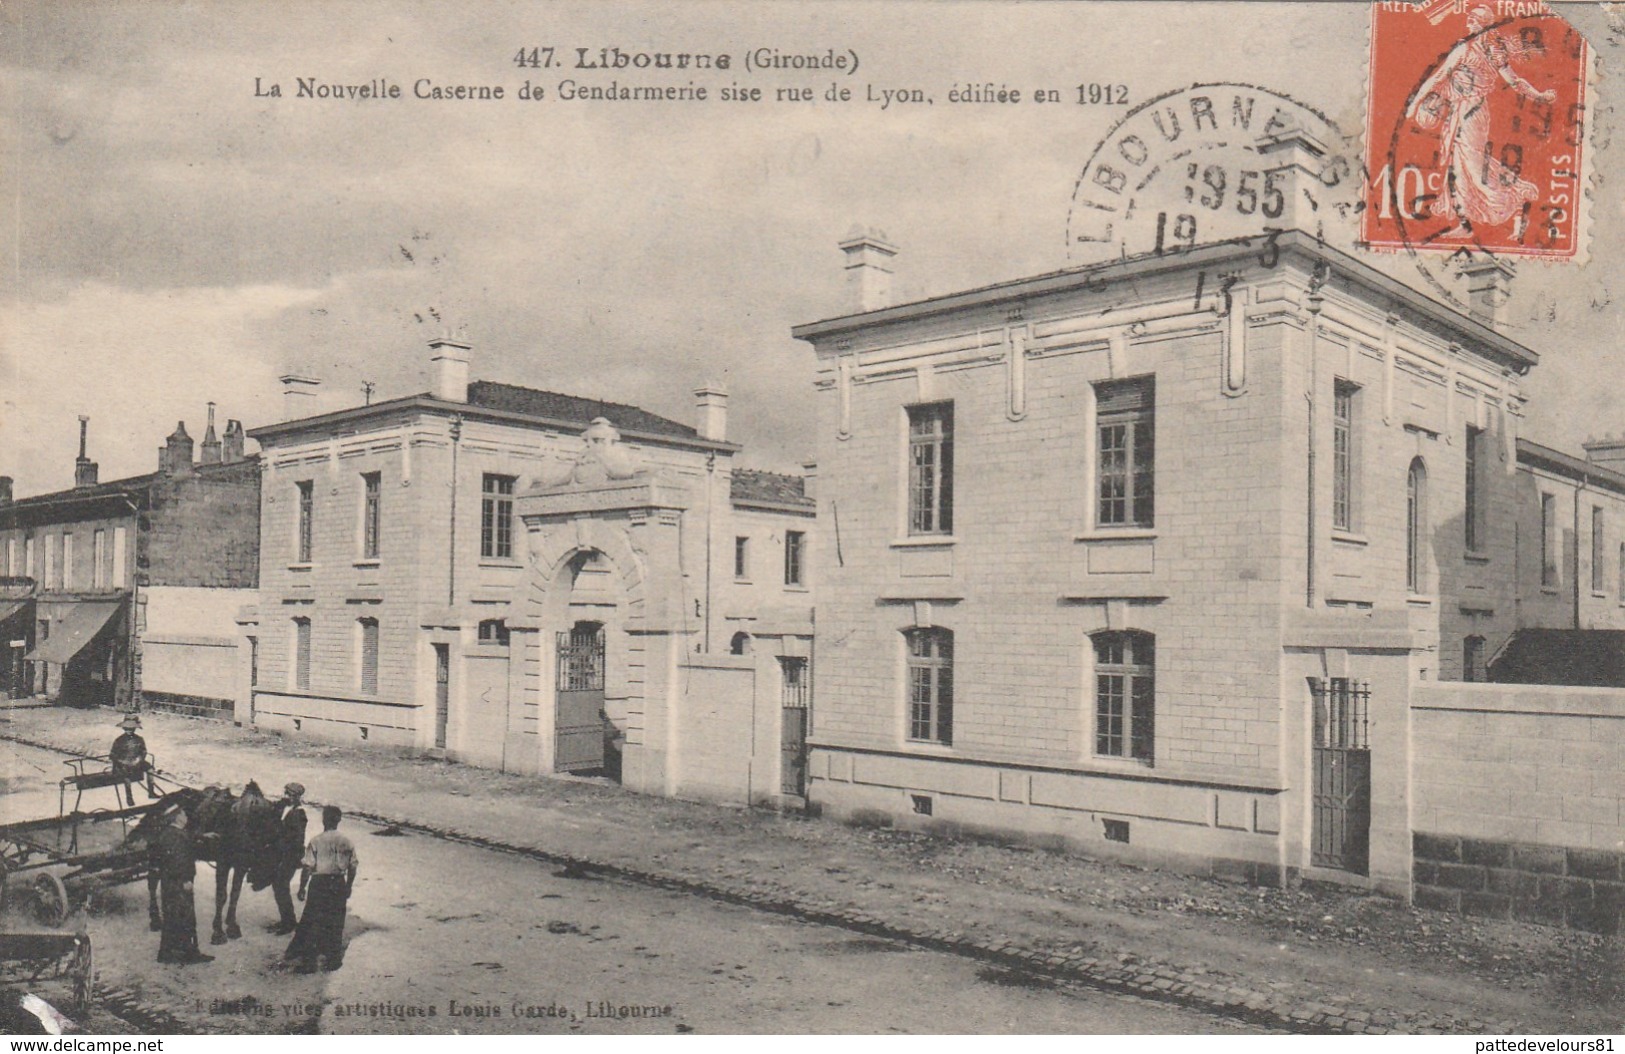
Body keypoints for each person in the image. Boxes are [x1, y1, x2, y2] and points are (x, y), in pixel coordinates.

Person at [1407, 5, 1557, 240]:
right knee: (1458, 166)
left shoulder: (1491, 53)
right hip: (1459, 110)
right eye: (1470, 21)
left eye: (1474, 22)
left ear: (1483, 25)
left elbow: (1515, 82)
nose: (1469, 25)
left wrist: (1540, 96)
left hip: (1473, 112)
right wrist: (1414, 104)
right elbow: (1438, 77)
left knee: (1475, 169)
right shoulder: (1465, 49)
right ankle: (1464, 223)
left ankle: (1516, 197)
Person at [283, 805, 358, 973]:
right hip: (338, 883)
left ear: (324, 819)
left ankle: (309, 963)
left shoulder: (316, 841)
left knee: (312, 921)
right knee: (336, 921)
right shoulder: (346, 841)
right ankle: (333, 960)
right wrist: (349, 886)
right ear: (338, 820)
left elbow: (308, 867)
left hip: (319, 883)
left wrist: (302, 887)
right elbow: (353, 867)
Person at [154, 808, 213, 965]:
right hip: (179, 882)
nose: (186, 817)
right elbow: (179, 860)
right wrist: (185, 880)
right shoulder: (177, 837)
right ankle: (189, 954)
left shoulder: (169, 834)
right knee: (185, 917)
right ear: (177, 817)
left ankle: (166, 953)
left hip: (169, 883)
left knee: (171, 916)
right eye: (184, 814)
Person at [269, 782, 308, 935]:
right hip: (286, 855)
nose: (286, 796)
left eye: (289, 794)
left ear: (296, 797)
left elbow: (295, 839)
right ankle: (287, 919)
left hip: (289, 856)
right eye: (286, 793)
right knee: (280, 887)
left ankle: (289, 922)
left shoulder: (298, 814)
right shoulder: (291, 810)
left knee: (281, 886)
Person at [109, 714, 155, 807]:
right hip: (123, 764)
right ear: (124, 728)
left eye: (132, 728)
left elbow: (143, 751)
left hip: (137, 762)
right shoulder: (119, 740)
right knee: (127, 776)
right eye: (127, 728)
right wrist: (123, 762)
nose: (129, 730)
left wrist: (139, 759)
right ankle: (129, 798)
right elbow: (113, 755)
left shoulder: (139, 739)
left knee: (150, 769)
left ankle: (151, 792)